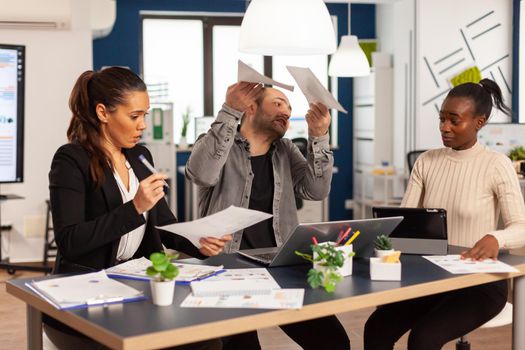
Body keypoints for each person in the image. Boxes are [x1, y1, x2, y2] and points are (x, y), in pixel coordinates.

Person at [47, 67, 230, 350]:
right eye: (134, 116)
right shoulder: (71, 160)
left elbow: (164, 225)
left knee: (210, 341)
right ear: (103, 113)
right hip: (89, 294)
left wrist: (199, 244)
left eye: (145, 114)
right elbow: (70, 241)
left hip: (137, 284)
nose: (142, 125)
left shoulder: (140, 156)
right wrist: (135, 207)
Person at [186, 82, 350, 350]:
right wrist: (230, 109)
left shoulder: (286, 150)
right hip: (228, 271)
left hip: (280, 266)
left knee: (334, 342)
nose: (286, 110)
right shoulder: (215, 145)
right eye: (277, 103)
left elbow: (316, 190)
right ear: (250, 108)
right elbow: (201, 174)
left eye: (289, 106)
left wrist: (319, 136)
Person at [364, 79, 525, 350]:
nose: (444, 127)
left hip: (479, 283)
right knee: (376, 329)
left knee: (423, 339)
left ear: (479, 122)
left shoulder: (497, 165)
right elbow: (403, 222)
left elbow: (520, 226)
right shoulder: (426, 161)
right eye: (441, 119)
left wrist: (495, 238)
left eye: (454, 120)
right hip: (431, 277)